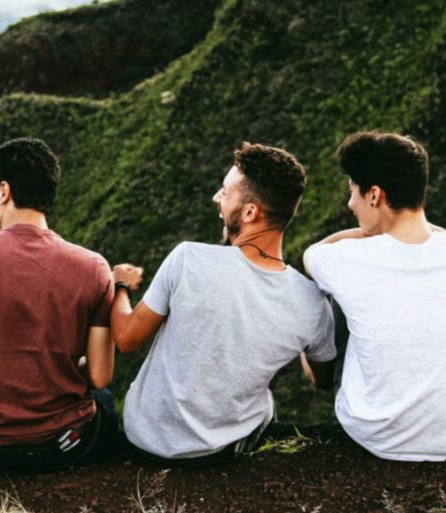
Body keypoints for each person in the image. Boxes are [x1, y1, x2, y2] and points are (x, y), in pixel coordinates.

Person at [111, 142, 337, 467]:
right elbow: (321, 380)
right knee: (265, 403)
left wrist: (120, 286)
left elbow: (126, 338)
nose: (216, 198)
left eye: (225, 192)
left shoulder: (188, 258)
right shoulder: (312, 303)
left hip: (144, 440)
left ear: (249, 213)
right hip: (219, 453)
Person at [303, 131, 446, 461]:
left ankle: (326, 381)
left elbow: (313, 253)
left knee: (336, 293)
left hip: (374, 434)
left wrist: (369, 234)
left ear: (374, 195)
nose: (349, 204)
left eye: (353, 193)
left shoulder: (342, 259)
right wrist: (431, 236)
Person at [0, 137, 118, 474]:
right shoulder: (94, 267)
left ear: (3, 192)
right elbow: (100, 375)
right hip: (64, 446)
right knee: (104, 402)